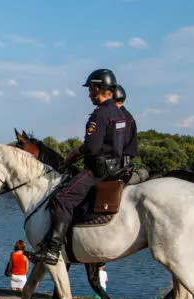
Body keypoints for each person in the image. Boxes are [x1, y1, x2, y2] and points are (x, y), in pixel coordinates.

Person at [32, 68, 137, 265]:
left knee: (62, 199)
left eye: (90, 90)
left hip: (99, 171)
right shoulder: (121, 114)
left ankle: (53, 250)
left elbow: (92, 147)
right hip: (118, 168)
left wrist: (74, 154)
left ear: (98, 88)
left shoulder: (100, 115)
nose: (89, 94)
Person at [113, 85, 139, 162]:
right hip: (124, 162)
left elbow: (118, 144)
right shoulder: (128, 116)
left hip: (115, 164)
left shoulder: (117, 117)